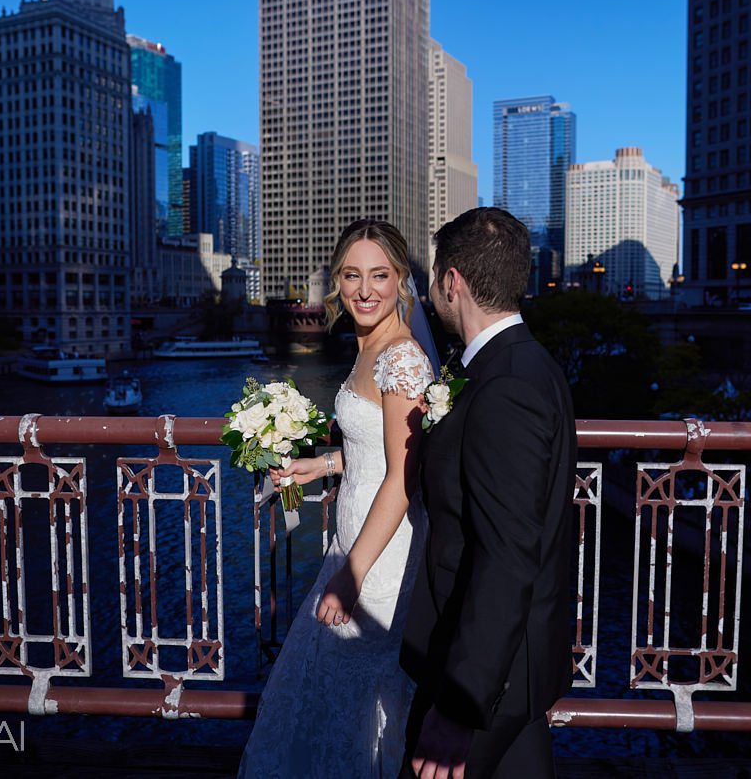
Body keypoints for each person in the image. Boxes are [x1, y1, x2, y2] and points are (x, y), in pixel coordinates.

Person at [239, 219, 437, 778]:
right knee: (330, 696)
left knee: (358, 700)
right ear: (336, 281)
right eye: (352, 275)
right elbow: (377, 448)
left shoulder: (402, 360)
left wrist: (351, 573)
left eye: (379, 275)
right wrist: (320, 465)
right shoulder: (368, 346)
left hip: (378, 555)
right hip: (354, 539)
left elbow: (402, 476)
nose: (365, 289)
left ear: (402, 281)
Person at [400, 207, 577, 779]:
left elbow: (506, 556)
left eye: (432, 278)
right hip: (518, 664)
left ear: (453, 281)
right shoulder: (525, 365)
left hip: (485, 675)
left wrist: (459, 707)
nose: (429, 292)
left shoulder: (505, 388)